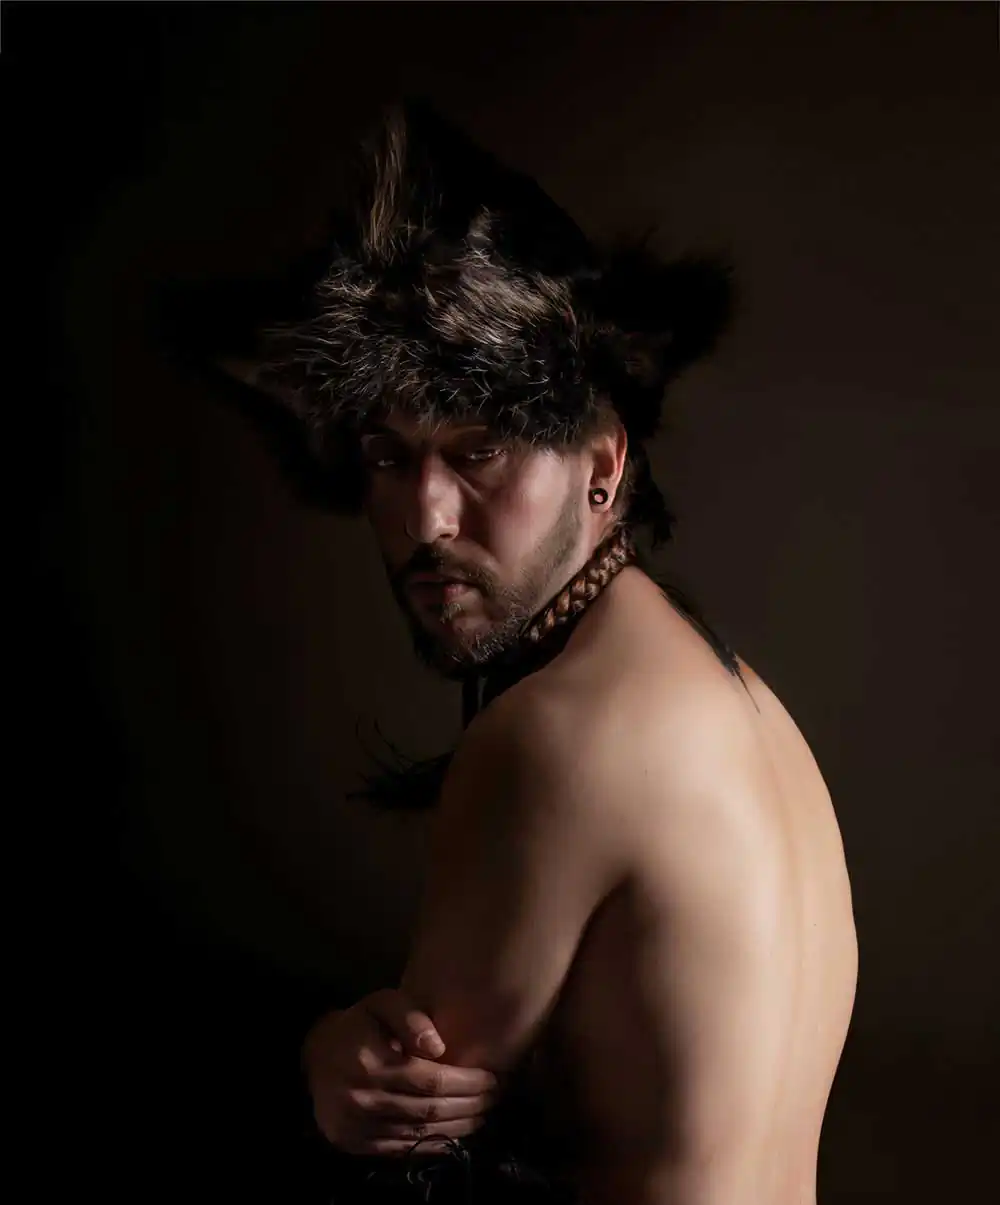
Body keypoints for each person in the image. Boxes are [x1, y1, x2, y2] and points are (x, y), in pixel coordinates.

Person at [175, 102, 858, 1204]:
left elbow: (407, 1155)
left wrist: (320, 1064)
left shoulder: (553, 735)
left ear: (603, 466)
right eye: (388, 457)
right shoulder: (739, 705)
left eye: (479, 450)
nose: (426, 516)